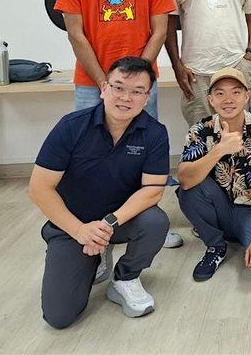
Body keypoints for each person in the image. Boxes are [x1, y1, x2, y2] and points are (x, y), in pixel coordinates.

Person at [55, 0, 183, 249]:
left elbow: (160, 30)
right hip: (90, 84)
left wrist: (135, 82)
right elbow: (75, 34)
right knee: (88, 157)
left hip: (143, 86)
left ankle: (147, 225)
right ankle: (89, 225)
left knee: (142, 155)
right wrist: (104, 82)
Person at [29, 57, 171, 329]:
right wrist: (80, 230)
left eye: (137, 91)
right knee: (59, 316)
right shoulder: (71, 126)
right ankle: (95, 255)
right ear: (104, 88)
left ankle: (125, 277)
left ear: (147, 97)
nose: (126, 98)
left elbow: (153, 191)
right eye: (118, 87)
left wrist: (107, 224)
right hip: (74, 225)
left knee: (155, 221)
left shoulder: (154, 133)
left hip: (119, 220)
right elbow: (39, 188)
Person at [177, 67, 251, 281]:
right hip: (221, 206)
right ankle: (216, 245)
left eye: (236, 92)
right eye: (220, 93)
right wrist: (219, 150)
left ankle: (245, 234)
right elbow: (184, 179)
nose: (228, 99)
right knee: (189, 189)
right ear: (211, 100)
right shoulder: (200, 130)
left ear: (247, 96)